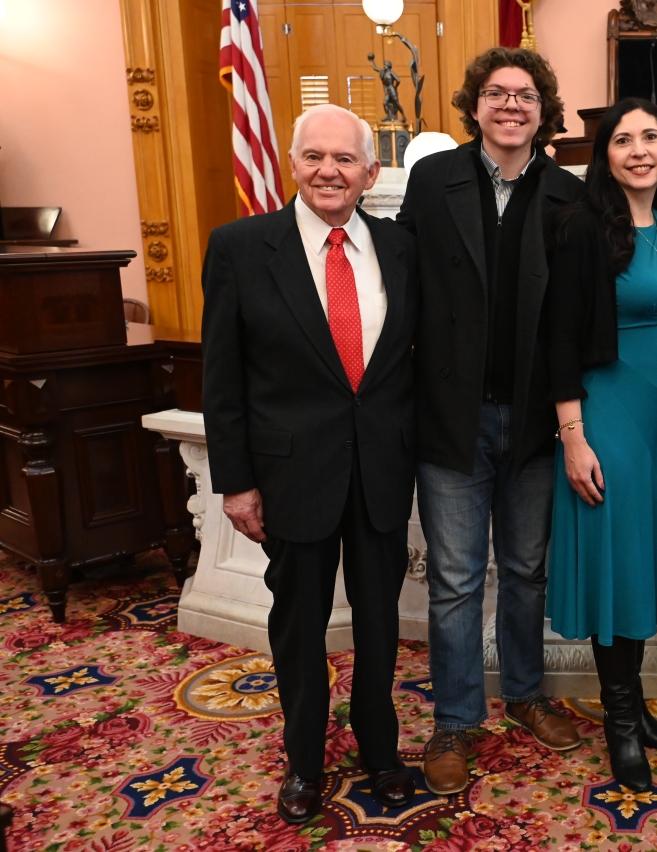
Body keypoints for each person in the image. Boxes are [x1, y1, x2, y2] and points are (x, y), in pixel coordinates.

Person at [202, 104, 419, 822]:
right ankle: (303, 761)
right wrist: (234, 481)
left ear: (370, 172)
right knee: (297, 627)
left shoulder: (400, 247)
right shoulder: (240, 246)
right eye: (315, 157)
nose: (330, 171)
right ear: (293, 163)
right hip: (290, 476)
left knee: (381, 622)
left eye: (345, 159)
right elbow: (222, 377)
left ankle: (381, 751)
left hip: (382, 473)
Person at [395, 47, 585, 796]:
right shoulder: (432, 181)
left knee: (526, 571)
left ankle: (527, 695)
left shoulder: (569, 193)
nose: (513, 105)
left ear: (545, 110)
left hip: (537, 422)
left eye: (528, 94)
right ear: (473, 106)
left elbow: (575, 315)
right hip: (450, 419)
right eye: (498, 94)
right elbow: (405, 296)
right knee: (453, 579)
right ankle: (454, 718)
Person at [544, 99, 657, 793]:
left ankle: (633, 704)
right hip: (607, 416)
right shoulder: (584, 227)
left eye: (651, 137)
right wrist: (573, 436)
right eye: (623, 140)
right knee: (618, 565)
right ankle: (620, 724)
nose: (639, 149)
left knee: (643, 562)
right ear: (602, 153)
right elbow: (557, 336)